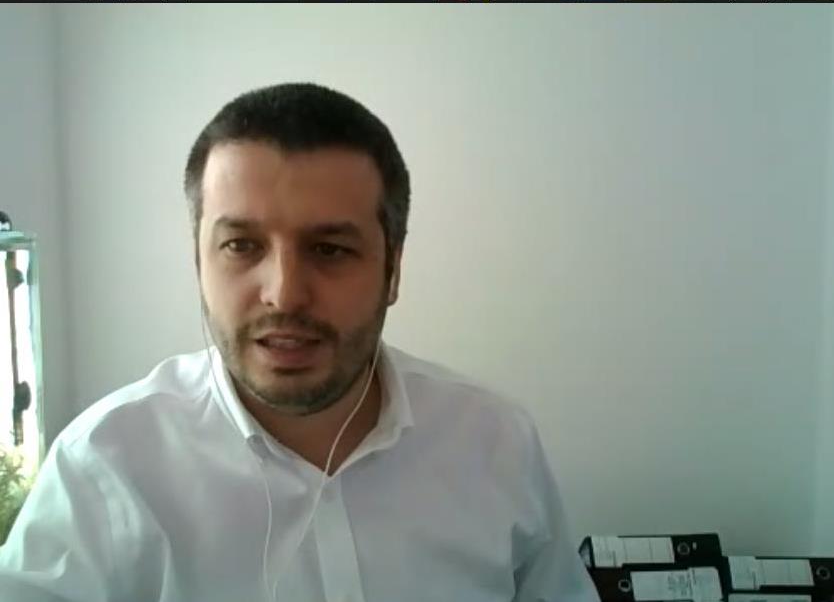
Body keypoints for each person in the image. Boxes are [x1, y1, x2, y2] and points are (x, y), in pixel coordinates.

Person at [0, 84, 600, 602]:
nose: (284, 295)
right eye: (241, 246)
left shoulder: (496, 444)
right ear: (198, 261)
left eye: (330, 249)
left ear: (392, 269)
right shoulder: (104, 468)